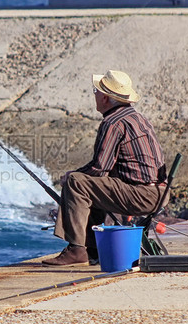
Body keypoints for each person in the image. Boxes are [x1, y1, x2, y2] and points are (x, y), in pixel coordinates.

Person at [43, 70, 167, 266]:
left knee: (77, 182)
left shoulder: (113, 123)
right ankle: (93, 249)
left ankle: (77, 249)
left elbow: (100, 168)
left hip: (142, 195)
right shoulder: (137, 118)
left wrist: (70, 177)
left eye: (96, 91)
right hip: (159, 192)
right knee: (90, 184)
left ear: (106, 98)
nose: (94, 95)